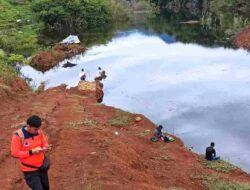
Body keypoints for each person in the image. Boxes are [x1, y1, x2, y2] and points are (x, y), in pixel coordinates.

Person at [11, 115, 52, 190]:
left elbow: (43, 142)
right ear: (29, 126)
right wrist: (31, 152)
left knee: (46, 187)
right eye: (36, 129)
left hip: (42, 167)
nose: (38, 131)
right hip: (30, 170)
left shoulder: (39, 132)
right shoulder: (18, 136)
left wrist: (46, 147)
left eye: (39, 128)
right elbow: (14, 153)